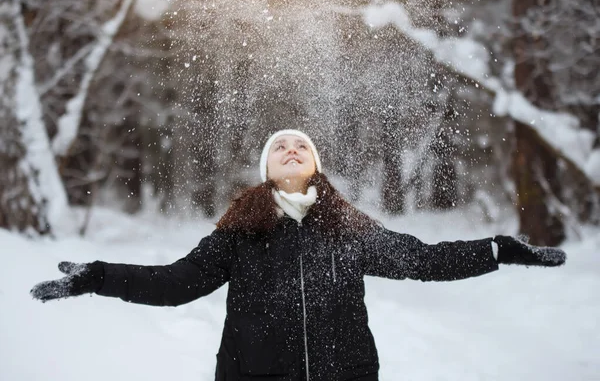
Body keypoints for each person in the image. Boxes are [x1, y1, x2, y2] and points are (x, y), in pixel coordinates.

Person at [31, 129, 566, 381]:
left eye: (302, 146)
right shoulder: (239, 233)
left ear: (315, 164)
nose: (292, 149)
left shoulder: (347, 229)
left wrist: (497, 250)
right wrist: (97, 276)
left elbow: (421, 261)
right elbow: (176, 284)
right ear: (268, 169)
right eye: (281, 147)